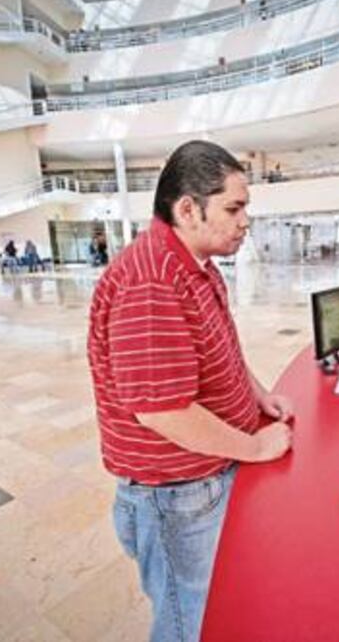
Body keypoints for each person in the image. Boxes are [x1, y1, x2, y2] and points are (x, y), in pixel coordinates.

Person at [87, 140, 295, 642]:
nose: (245, 221)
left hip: (203, 480)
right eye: (233, 208)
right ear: (187, 209)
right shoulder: (151, 280)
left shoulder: (195, 264)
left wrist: (258, 395)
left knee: (218, 607)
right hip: (176, 498)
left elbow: (222, 347)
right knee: (190, 623)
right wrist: (254, 447)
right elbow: (164, 411)